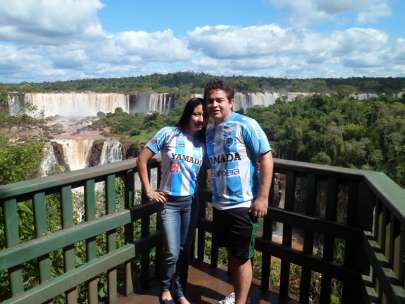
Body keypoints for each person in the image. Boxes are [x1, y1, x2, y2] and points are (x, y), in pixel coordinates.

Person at [204, 79, 273, 304]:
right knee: (233, 255)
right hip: (220, 204)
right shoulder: (210, 131)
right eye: (210, 101)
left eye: (219, 100)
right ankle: (237, 296)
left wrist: (262, 197)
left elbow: (265, 157)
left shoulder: (246, 124)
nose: (214, 104)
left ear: (231, 102)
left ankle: (241, 302)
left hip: (243, 203)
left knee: (242, 257)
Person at [137, 98, 207, 304]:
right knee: (172, 251)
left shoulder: (203, 141)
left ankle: (180, 292)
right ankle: (165, 288)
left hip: (191, 203)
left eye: (204, 115)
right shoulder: (168, 133)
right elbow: (142, 159)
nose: (200, 119)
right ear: (187, 114)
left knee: (184, 251)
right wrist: (149, 189)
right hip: (169, 202)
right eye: (196, 114)